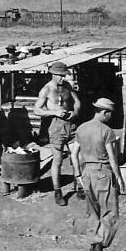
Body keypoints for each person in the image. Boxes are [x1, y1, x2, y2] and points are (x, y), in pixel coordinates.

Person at [70, 98, 126, 251]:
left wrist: (78, 175)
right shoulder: (106, 131)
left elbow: (74, 155)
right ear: (105, 112)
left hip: (86, 173)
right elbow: (112, 157)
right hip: (103, 174)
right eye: (110, 114)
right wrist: (119, 178)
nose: (110, 117)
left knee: (94, 212)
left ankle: (94, 245)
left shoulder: (81, 128)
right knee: (110, 213)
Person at [34, 61, 81, 206]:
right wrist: (54, 112)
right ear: (53, 74)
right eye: (60, 76)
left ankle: (79, 186)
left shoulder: (67, 86)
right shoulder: (46, 89)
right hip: (56, 127)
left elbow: (77, 101)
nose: (62, 78)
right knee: (58, 160)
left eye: (64, 75)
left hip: (71, 125)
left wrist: (75, 112)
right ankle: (58, 191)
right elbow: (37, 110)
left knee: (77, 157)